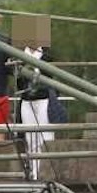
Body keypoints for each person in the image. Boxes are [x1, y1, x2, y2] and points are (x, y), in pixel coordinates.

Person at [15, 45, 65, 178]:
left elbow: (50, 76)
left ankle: (49, 173)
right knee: (30, 139)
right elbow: (18, 82)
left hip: (44, 100)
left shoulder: (47, 55)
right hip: (27, 101)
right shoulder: (18, 54)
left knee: (46, 137)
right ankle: (35, 173)